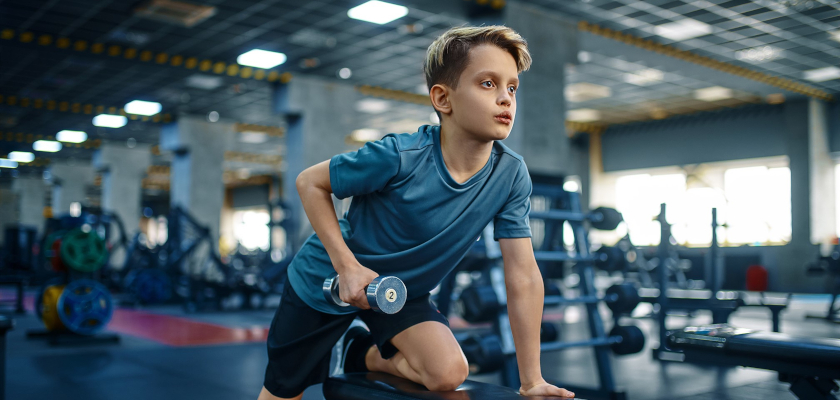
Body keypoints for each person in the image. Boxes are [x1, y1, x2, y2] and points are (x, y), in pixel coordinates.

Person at [258, 25, 574, 400]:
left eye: (511, 88)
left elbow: (522, 274)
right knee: (282, 393)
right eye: (488, 84)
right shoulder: (400, 156)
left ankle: (358, 351)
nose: (506, 99)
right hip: (326, 281)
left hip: (400, 293)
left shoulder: (510, 175)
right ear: (443, 98)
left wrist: (531, 380)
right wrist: (347, 266)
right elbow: (310, 182)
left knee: (448, 374)